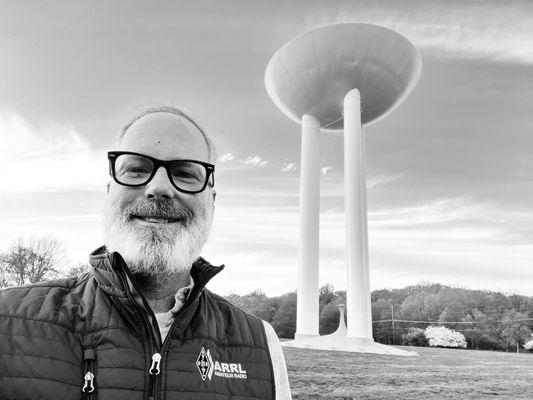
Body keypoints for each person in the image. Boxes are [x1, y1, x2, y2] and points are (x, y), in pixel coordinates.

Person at [0, 105, 292, 399]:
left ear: (212, 201)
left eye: (185, 173)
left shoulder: (261, 344)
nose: (159, 187)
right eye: (137, 169)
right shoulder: (8, 319)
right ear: (109, 191)